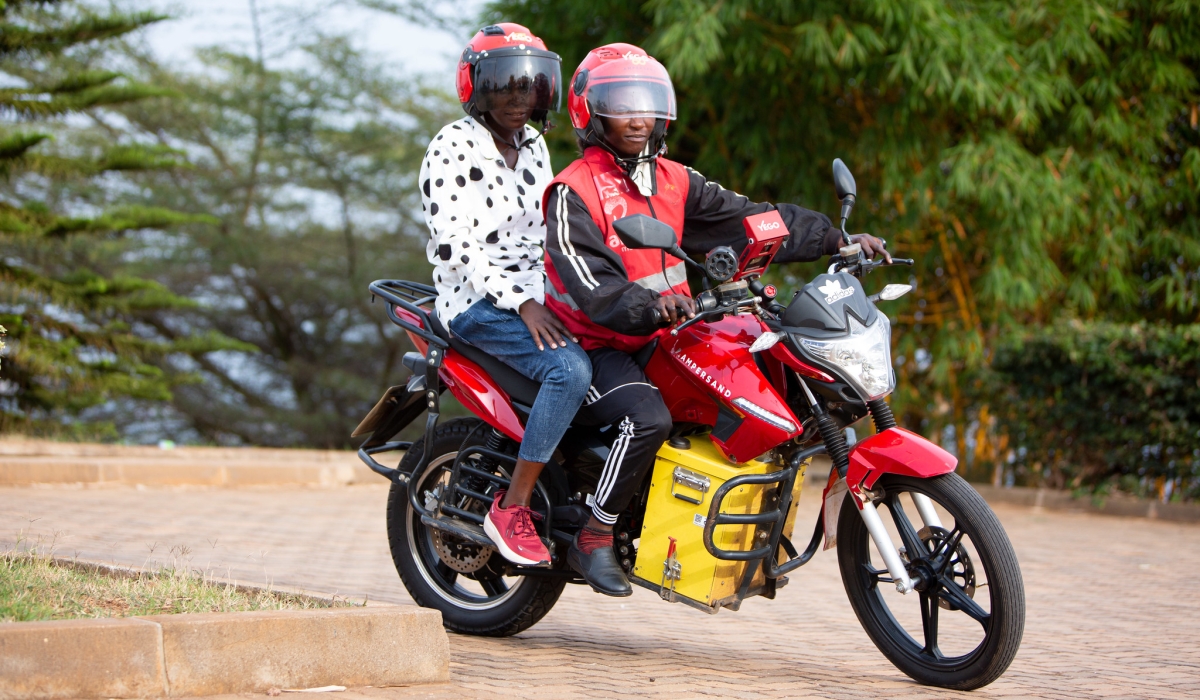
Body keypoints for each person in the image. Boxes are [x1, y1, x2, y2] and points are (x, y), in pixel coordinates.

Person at [542, 43, 891, 596]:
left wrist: (836, 239)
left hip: (668, 332)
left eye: (647, 105)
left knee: (759, 372)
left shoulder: (676, 180)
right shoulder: (572, 191)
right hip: (594, 345)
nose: (637, 118)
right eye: (621, 105)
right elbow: (591, 286)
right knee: (647, 418)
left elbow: (751, 219)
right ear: (591, 111)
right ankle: (595, 536)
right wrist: (649, 306)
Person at [421, 23, 590, 568]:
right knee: (570, 372)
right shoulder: (451, 146)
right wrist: (522, 302)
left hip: (534, 294)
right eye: (504, 86)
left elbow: (543, 229)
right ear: (475, 86)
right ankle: (511, 508)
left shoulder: (534, 144)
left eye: (529, 86)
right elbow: (456, 246)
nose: (518, 100)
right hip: (475, 303)